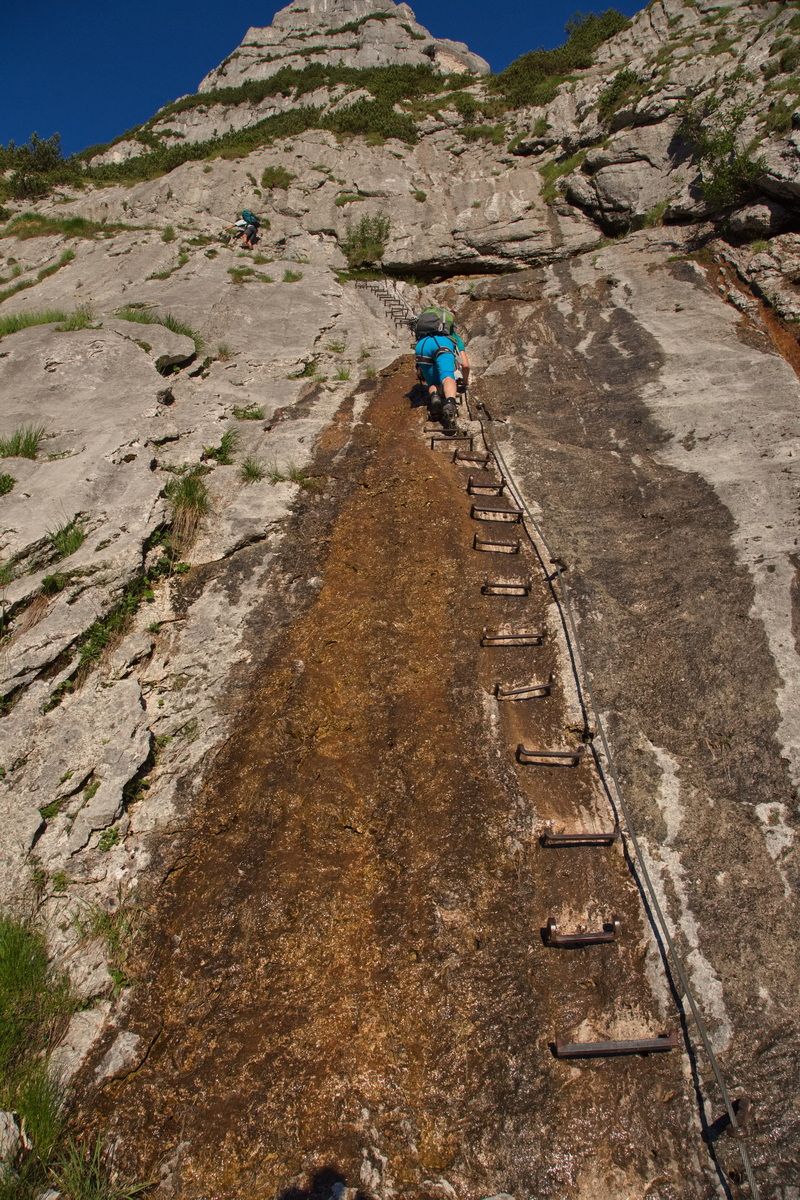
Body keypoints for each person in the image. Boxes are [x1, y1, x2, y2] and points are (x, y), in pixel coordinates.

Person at [413, 305, 468, 434]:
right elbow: (465, 365)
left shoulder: (423, 335)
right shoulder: (453, 337)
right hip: (442, 345)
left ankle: (435, 397)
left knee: (432, 382)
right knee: (447, 376)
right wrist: (465, 382)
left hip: (421, 346)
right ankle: (449, 403)